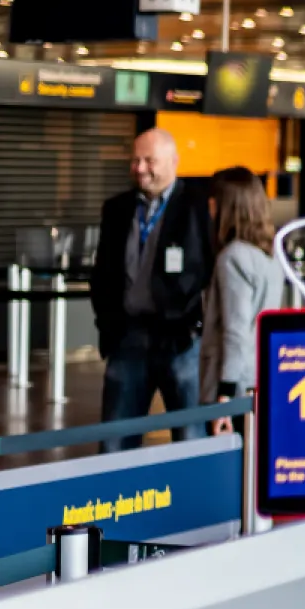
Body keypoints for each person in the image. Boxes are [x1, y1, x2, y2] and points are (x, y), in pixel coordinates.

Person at [92, 127, 215, 438]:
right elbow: (103, 273)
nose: (140, 169)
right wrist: (107, 325)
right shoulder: (116, 209)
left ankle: (192, 490)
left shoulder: (196, 207)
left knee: (191, 437)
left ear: (173, 162)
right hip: (127, 337)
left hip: (179, 341)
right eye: (135, 161)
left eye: (149, 160)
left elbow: (205, 267)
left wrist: (193, 323)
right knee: (116, 438)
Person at [200, 167, 281, 435]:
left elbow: (235, 330)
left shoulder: (232, 257)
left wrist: (223, 395)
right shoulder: (269, 255)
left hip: (234, 384)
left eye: (214, 198)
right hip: (261, 376)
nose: (209, 204)